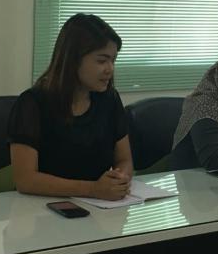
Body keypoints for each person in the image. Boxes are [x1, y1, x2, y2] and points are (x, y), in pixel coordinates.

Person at [8, 14, 133, 199]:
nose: (110, 69)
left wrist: (120, 179)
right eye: (101, 61)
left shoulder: (109, 99)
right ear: (73, 60)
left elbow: (124, 159)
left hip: (98, 207)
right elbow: (25, 180)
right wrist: (92, 190)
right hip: (41, 207)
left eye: (113, 60)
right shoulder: (32, 103)